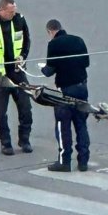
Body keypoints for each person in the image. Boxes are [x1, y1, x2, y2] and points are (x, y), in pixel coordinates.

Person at [41, 19, 91, 172]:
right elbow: (86, 63)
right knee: (81, 124)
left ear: (50, 31)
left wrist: (43, 69)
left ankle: (65, 161)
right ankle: (83, 161)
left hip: (65, 90)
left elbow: (50, 70)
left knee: (63, 126)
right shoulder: (78, 40)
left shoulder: (53, 45)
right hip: (81, 88)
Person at [0, 0, 33, 155]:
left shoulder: (19, 20)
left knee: (26, 107)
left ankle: (24, 139)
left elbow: (26, 41)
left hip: (17, 71)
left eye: (14, 11)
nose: (14, 14)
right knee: (1, 112)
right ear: (2, 10)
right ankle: (5, 143)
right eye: (11, 12)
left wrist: (23, 56)